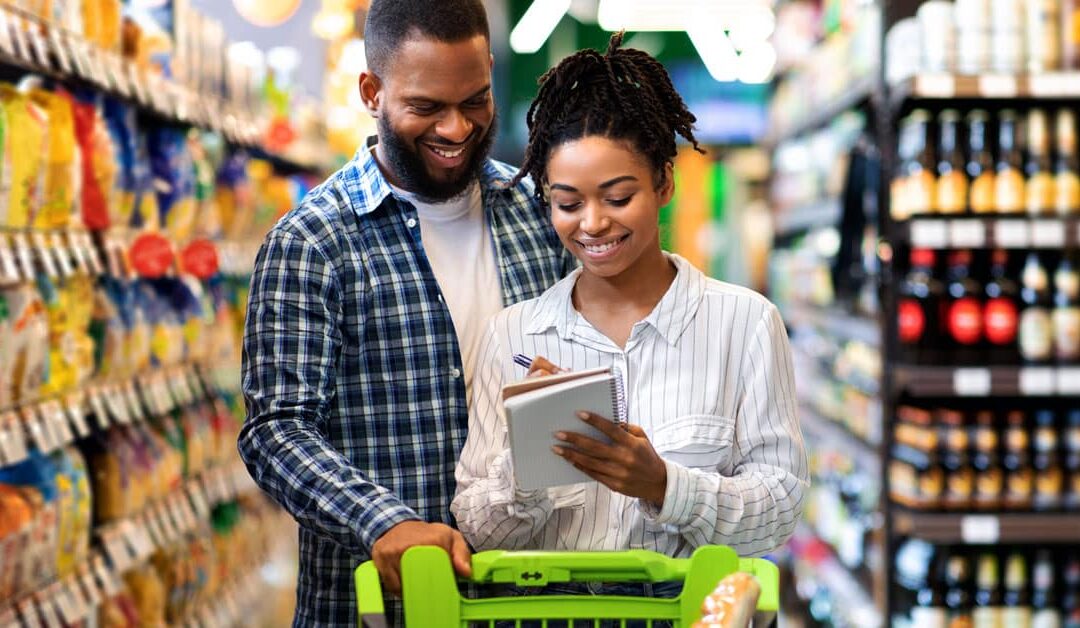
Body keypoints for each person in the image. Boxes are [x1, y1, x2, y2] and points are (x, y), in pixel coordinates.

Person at [237, 1, 574, 625]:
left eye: (474, 100)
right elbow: (276, 429)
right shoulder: (312, 243)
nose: (455, 128)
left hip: (528, 600)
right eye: (425, 107)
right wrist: (382, 523)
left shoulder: (539, 214)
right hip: (376, 609)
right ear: (372, 91)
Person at [452, 32, 808, 596]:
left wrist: (665, 485)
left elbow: (781, 506)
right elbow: (480, 531)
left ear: (664, 182)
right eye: (567, 204)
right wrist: (531, 460)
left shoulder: (746, 324)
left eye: (618, 198)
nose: (591, 224)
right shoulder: (515, 335)